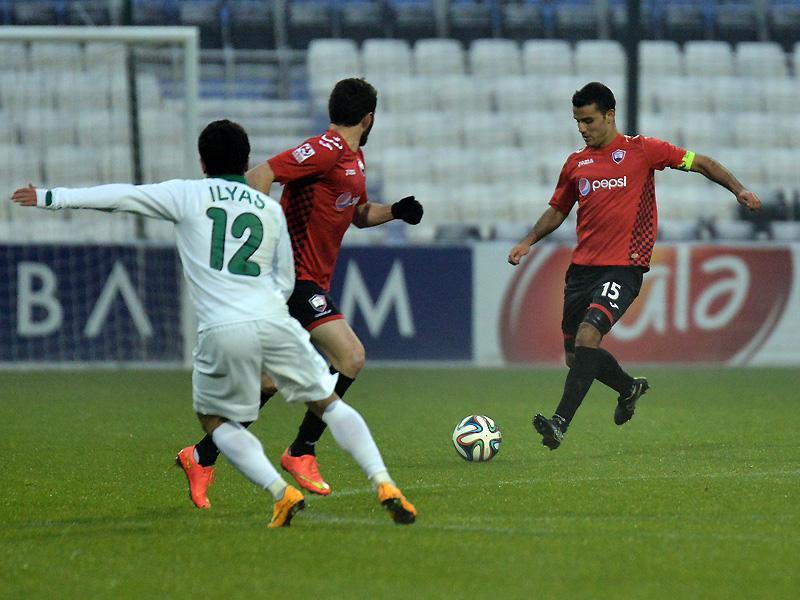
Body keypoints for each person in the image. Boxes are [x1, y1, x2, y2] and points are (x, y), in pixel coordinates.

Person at [11, 119, 417, 526]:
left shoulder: (188, 194)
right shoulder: (270, 210)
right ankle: (383, 481)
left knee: (215, 420)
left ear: (203, 162)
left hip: (222, 328)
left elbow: (123, 196)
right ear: (246, 159)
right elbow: (285, 280)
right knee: (328, 401)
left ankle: (276, 489)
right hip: (273, 320)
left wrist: (50, 196)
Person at [177, 77, 423, 507]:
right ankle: (301, 451)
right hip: (294, 279)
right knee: (350, 356)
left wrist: (396, 211)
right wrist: (259, 236)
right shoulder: (324, 149)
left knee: (269, 382)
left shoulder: (354, 159)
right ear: (369, 118)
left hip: (310, 280)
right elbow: (261, 174)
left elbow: (358, 214)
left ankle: (201, 456)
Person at [507, 82, 762, 450]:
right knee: (575, 357)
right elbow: (559, 209)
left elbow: (701, 163)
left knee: (589, 336)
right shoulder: (576, 163)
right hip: (581, 270)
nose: (582, 128)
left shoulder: (643, 150)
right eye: (577, 121)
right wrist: (528, 240)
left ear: (610, 115)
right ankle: (628, 387)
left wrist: (738, 190)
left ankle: (559, 423)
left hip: (624, 268)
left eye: (588, 120)